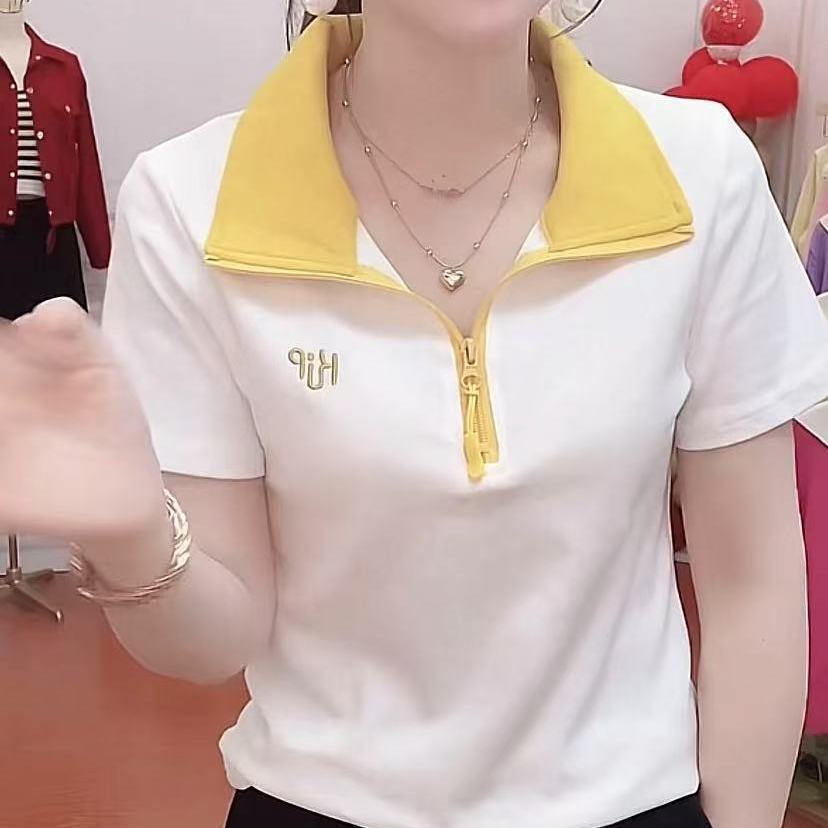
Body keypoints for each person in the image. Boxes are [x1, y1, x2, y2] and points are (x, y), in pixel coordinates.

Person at [1, 2, 827, 828]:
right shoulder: (189, 202)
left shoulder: (701, 173)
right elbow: (217, 637)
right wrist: (131, 534)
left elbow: (753, 583)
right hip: (318, 805)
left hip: (634, 803)